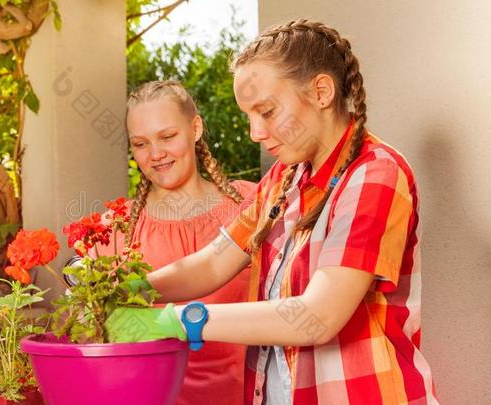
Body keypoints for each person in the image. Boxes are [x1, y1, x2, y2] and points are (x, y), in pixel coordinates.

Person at [106, 20, 438, 405]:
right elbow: (213, 263)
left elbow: (317, 317)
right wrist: (132, 288)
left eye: (266, 111)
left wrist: (176, 321)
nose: (255, 133)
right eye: (249, 115)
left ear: (321, 92)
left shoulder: (375, 174)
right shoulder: (285, 179)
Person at [103, 80, 257, 405]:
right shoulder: (116, 228)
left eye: (168, 136)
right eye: (141, 144)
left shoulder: (250, 204)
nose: (156, 154)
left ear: (196, 128)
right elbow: (93, 336)